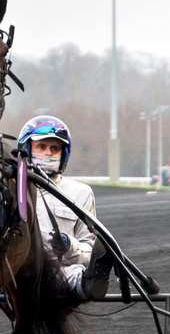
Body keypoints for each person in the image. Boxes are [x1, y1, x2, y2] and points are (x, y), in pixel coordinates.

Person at [17, 115, 113, 301]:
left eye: (55, 149)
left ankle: (89, 283)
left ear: (64, 154)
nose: (48, 153)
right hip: (17, 271)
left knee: (75, 273)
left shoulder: (81, 193)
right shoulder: (13, 189)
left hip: (60, 271)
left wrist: (69, 246)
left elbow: (88, 250)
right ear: (26, 149)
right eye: (41, 147)